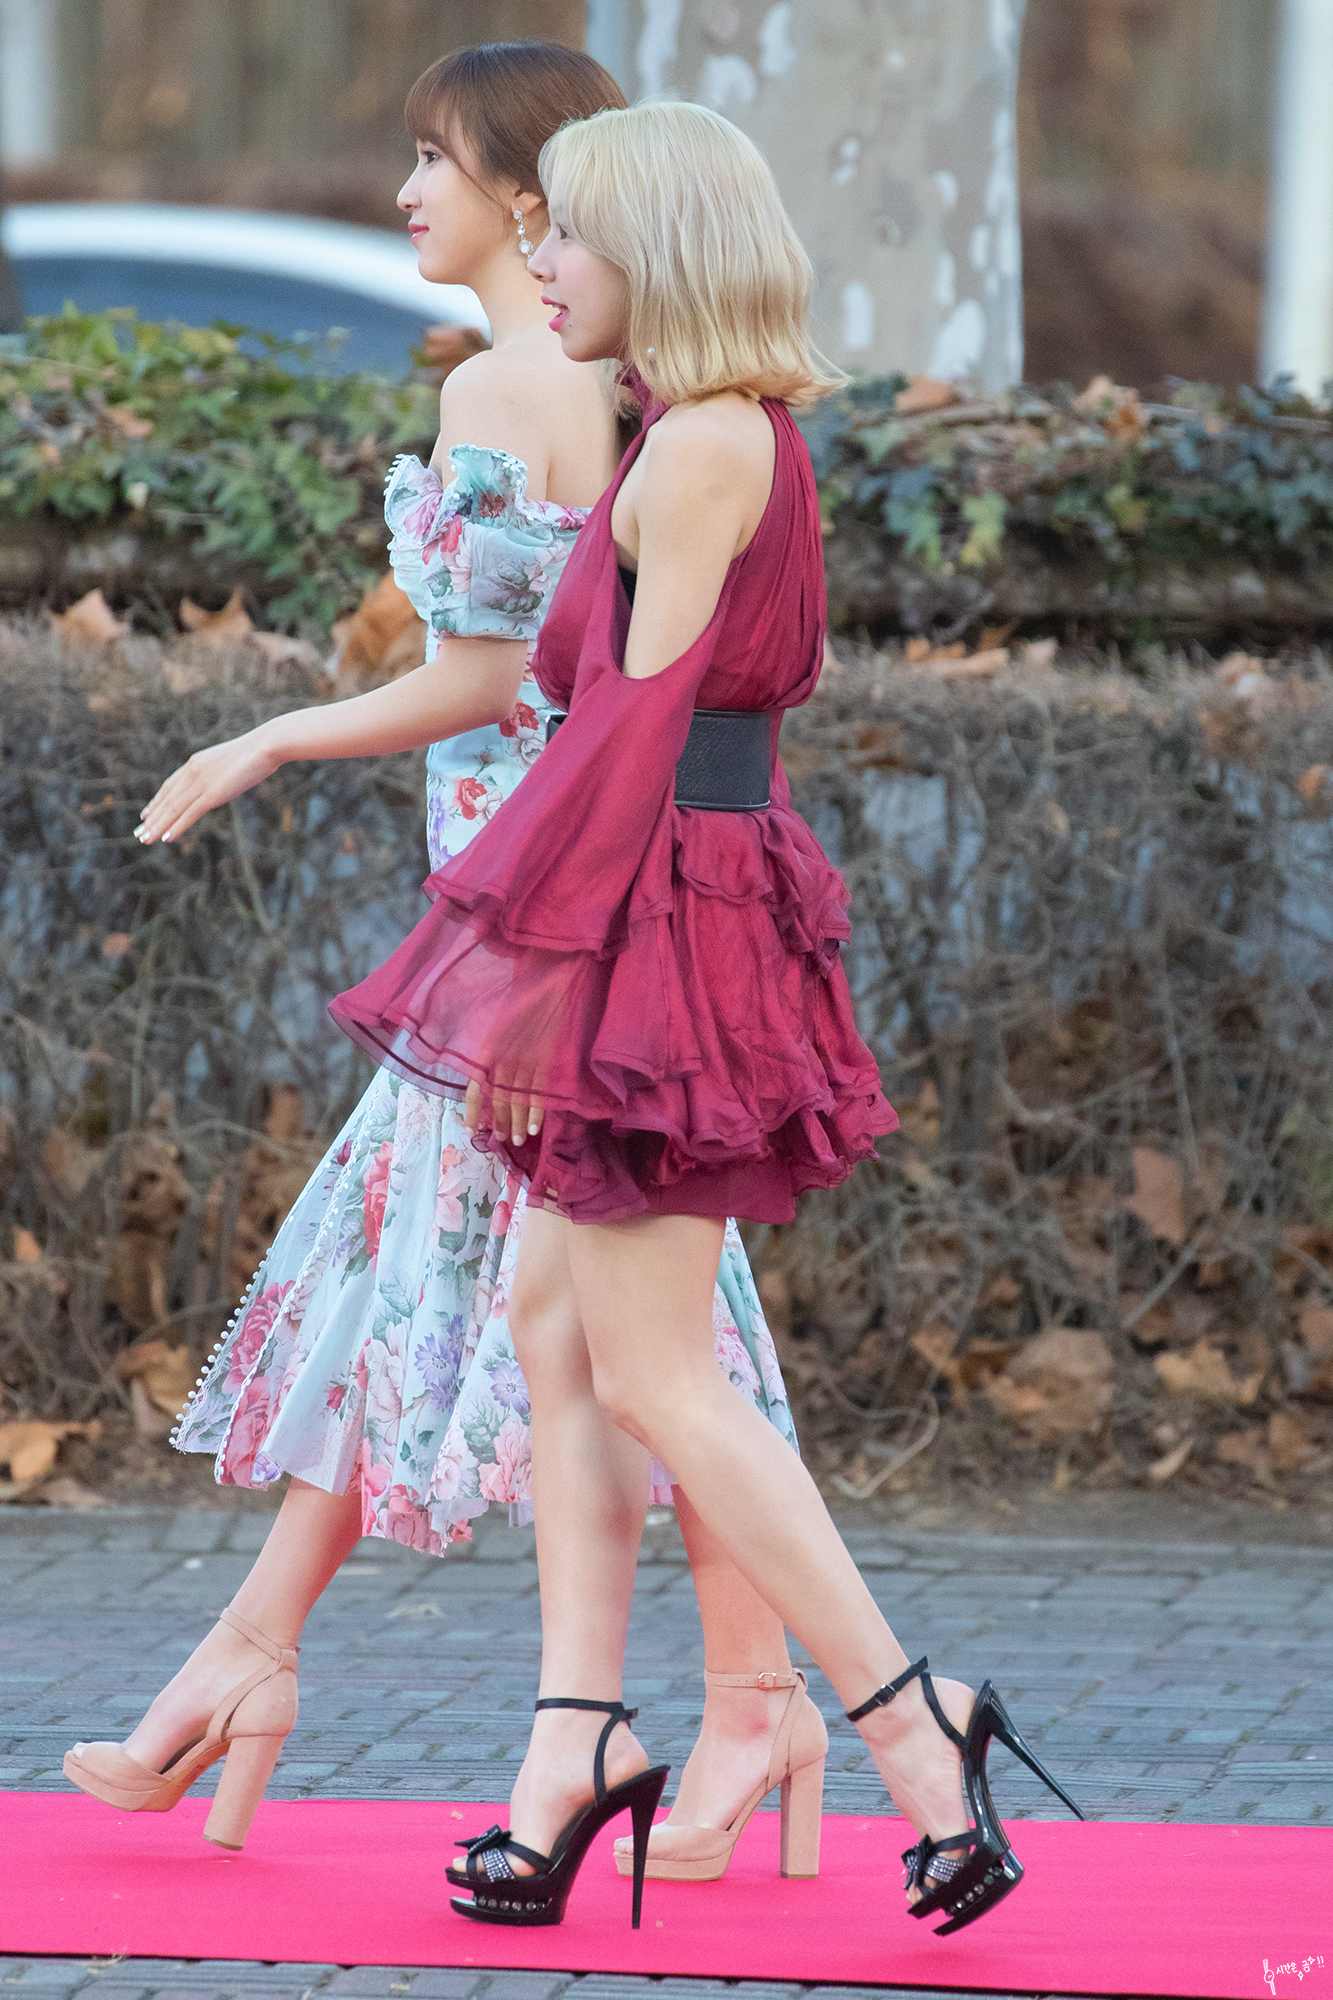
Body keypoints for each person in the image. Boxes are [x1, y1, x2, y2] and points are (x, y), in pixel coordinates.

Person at [332, 100, 1085, 1938]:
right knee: (557, 1328)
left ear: (655, 250)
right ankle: (580, 1740)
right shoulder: (719, 430)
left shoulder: (695, 450)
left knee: (661, 1373)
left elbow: (620, 739)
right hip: (678, 896)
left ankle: (912, 1731)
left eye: (569, 233)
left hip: (655, 916)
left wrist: (518, 985)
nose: (543, 260)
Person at [61, 44, 811, 1863]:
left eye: (434, 159)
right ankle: (274, 1659)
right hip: (576, 897)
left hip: (533, 910)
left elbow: (491, 680)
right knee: (488, 1278)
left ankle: (748, 1699)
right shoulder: (631, 384)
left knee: (582, 1311)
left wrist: (270, 736)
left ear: (532, 195)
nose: (407, 191)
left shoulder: (507, 380)